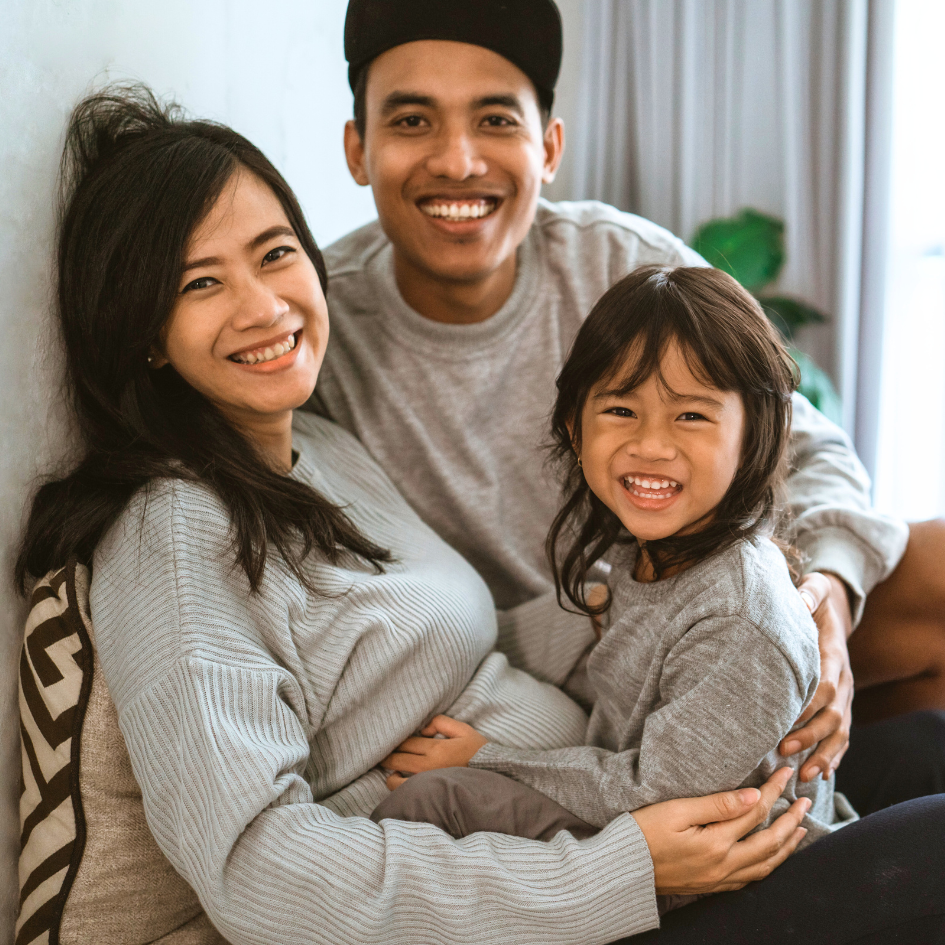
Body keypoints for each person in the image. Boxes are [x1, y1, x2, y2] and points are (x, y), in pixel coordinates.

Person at [15, 85, 945, 945]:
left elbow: (494, 630)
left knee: (921, 749)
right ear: (142, 332)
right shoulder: (175, 535)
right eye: (200, 282)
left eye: (273, 254)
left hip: (606, 792)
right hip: (578, 876)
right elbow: (259, 869)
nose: (264, 307)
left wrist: (690, 592)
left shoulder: (317, 450)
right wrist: (619, 870)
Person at [309, 0, 945, 812]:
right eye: (412, 120)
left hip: (690, 614)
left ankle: (851, 793)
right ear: (359, 149)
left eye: (495, 119)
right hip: (526, 668)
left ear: (547, 147)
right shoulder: (311, 328)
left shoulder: (620, 263)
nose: (458, 160)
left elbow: (804, 443)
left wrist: (827, 594)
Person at [372, 266, 858, 916]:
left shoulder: (742, 617)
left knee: (430, 801)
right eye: (620, 410)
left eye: (691, 414)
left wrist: (491, 758)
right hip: (649, 823)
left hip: (735, 894)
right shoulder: (645, 555)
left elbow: (657, 798)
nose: (650, 444)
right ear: (575, 427)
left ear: (753, 433)